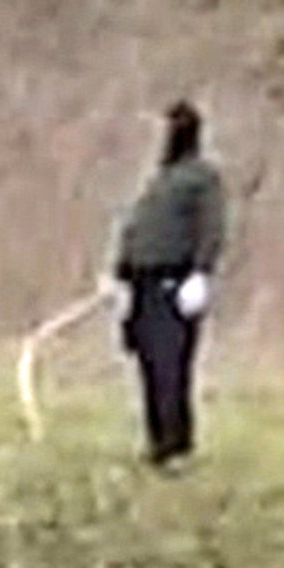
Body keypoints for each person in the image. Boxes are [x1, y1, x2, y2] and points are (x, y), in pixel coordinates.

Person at [111, 99, 228, 471]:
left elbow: (212, 227)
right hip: (142, 286)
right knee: (147, 364)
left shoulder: (202, 177)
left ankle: (177, 445)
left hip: (172, 283)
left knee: (169, 365)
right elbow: (137, 228)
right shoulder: (161, 178)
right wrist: (121, 273)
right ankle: (157, 442)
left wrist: (200, 273)